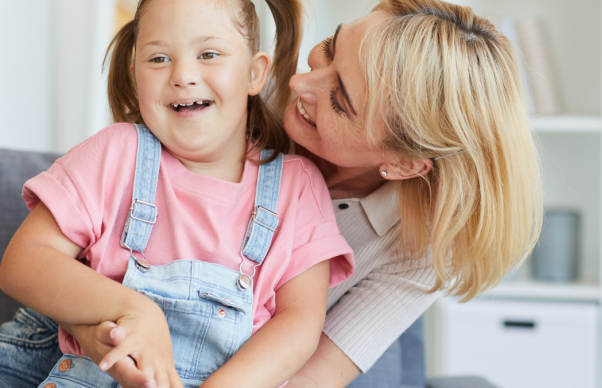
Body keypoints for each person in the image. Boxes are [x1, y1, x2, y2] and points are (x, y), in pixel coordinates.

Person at [0, 0, 543, 387]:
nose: (302, 85)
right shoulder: (178, 126)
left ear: (402, 162)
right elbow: (62, 262)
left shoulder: (375, 233)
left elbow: (305, 362)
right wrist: (111, 321)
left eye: (341, 99)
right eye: (328, 49)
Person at [0, 0, 355, 387]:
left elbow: (300, 324)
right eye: (158, 59)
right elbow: (23, 263)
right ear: (135, 74)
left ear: (255, 73)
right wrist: (135, 309)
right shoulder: (116, 153)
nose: (183, 75)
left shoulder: (297, 188)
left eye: (209, 53)